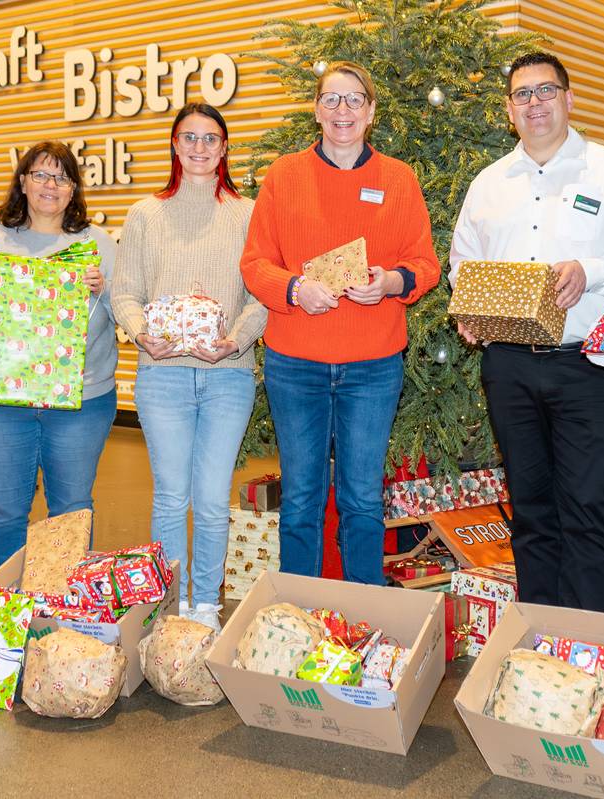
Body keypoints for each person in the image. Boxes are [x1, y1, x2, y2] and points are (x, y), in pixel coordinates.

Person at [449, 51, 604, 613]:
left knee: (588, 510)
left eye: (546, 90)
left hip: (588, 364)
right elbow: (462, 263)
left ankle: (584, 648)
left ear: (569, 99)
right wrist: (469, 310)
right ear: (509, 109)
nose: (535, 103)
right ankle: (538, 640)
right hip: (509, 366)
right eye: (523, 94)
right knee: (530, 509)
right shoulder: (489, 183)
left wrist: (589, 270)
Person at [240, 61, 440, 585]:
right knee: (302, 497)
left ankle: (364, 614)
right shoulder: (285, 176)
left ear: (371, 111)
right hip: (295, 364)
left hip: (372, 367)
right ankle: (296, 615)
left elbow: (425, 264)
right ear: (316, 111)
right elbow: (255, 262)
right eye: (331, 100)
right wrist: (293, 289)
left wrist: (390, 282)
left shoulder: (398, 179)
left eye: (354, 100)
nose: (342, 110)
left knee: (361, 499)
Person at [112, 103, 264, 631]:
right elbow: (124, 290)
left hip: (228, 375)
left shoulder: (247, 214)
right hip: (163, 375)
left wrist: (236, 339)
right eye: (189, 138)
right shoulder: (145, 215)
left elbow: (261, 295)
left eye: (210, 139)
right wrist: (141, 333)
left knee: (212, 496)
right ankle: (169, 605)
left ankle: (205, 606)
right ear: (175, 146)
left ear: (224, 148)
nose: (199, 148)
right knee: (172, 496)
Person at [0, 141, 118, 572]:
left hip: (83, 400)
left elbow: (127, 309)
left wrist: (106, 290)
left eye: (62, 178)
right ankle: (5, 616)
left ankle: (61, 619)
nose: (50, 185)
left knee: (72, 513)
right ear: (22, 182)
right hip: (1, 404)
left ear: (74, 189)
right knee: (5, 513)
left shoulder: (98, 243)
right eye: (40, 175)